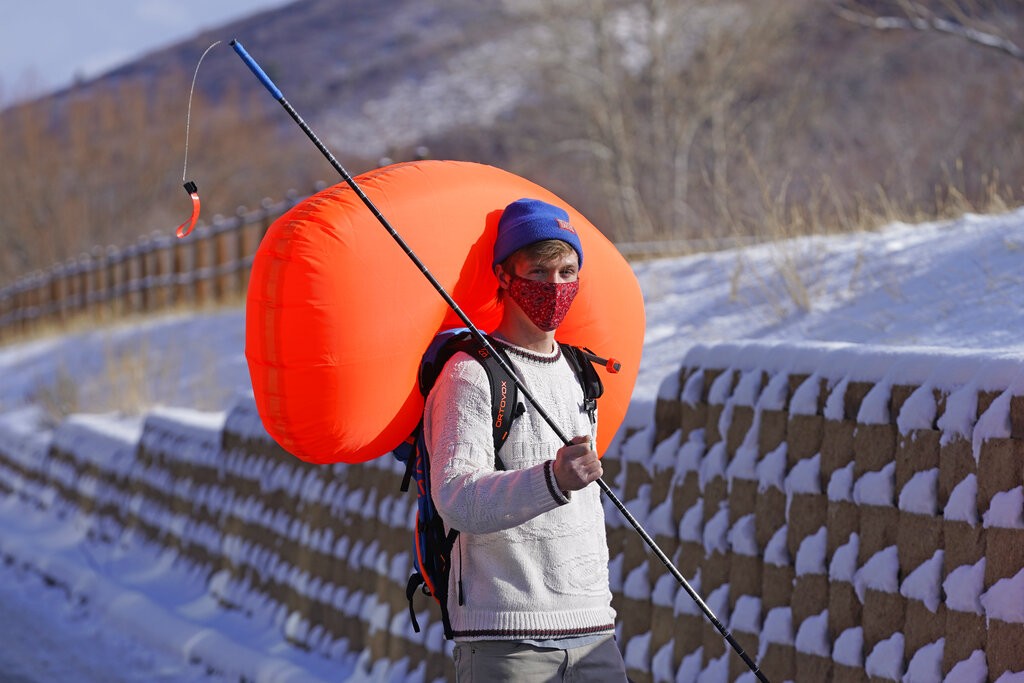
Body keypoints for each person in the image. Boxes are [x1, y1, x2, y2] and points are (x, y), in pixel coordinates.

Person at [423, 198, 628, 682]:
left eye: (567, 272)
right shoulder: (471, 375)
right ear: (503, 274)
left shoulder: (582, 372)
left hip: (595, 632)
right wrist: (552, 478)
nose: (554, 287)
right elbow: (456, 498)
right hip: (506, 644)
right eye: (538, 271)